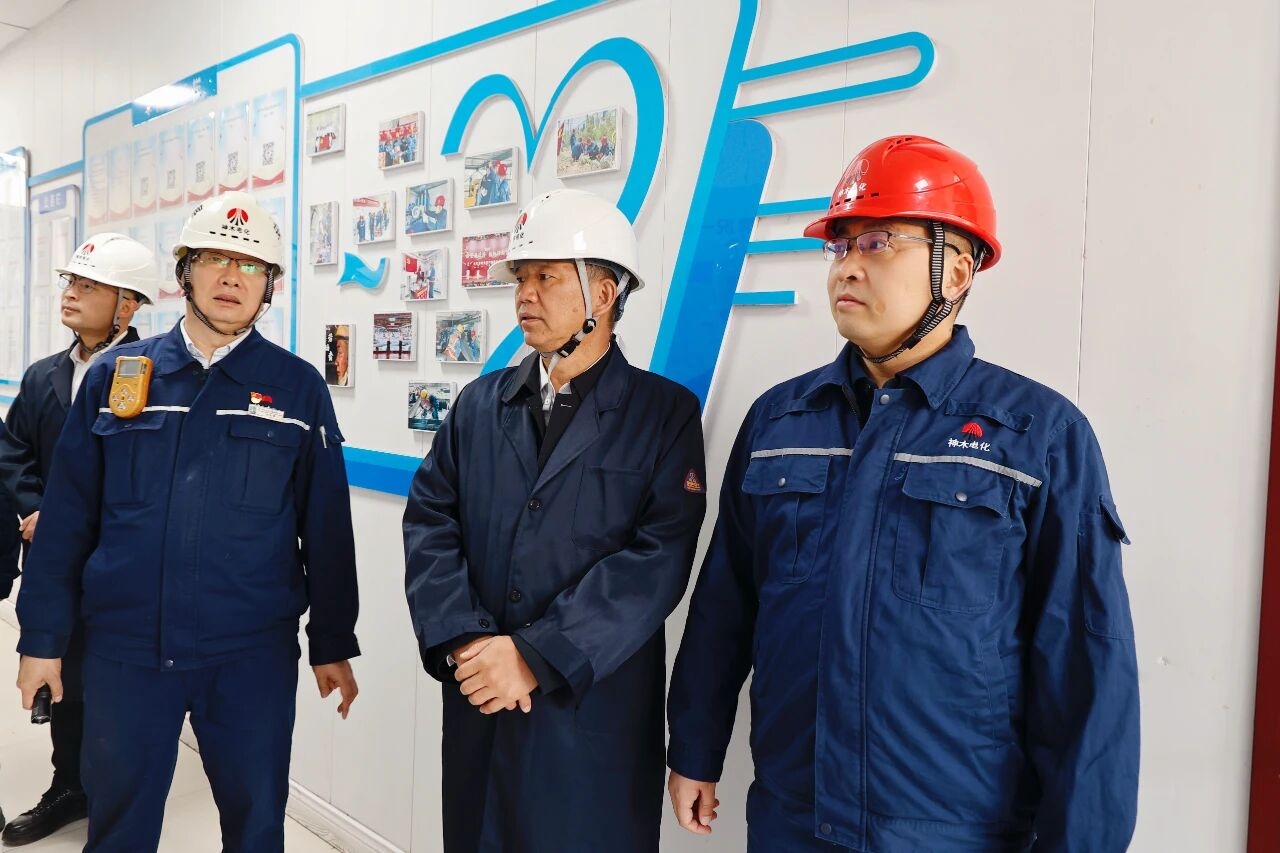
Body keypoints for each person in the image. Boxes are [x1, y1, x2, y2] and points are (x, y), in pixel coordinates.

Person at [666, 135, 1140, 851]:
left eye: (879, 242)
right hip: (795, 819)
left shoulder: (1037, 437)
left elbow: (1085, 664)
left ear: (957, 269)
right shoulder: (780, 422)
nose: (848, 266)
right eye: (840, 245)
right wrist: (695, 747)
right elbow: (725, 606)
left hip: (953, 830)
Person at [14, 191, 362, 852]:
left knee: (256, 824)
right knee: (118, 827)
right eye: (215, 259)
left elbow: (326, 527)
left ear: (269, 286)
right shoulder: (116, 377)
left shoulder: (296, 387)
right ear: (185, 273)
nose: (233, 277)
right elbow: (66, 523)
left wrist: (332, 639)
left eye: (252, 265)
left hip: (249, 653)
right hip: (126, 648)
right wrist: (43, 638)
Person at [403, 188, 707, 852]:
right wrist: (463, 640)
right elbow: (430, 518)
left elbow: (656, 561)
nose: (525, 295)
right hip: (483, 700)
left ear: (604, 294)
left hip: (588, 715)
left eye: (545, 277)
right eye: (521, 277)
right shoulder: (479, 405)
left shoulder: (664, 415)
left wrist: (535, 655)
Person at [0, 232, 157, 845]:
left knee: (118, 686)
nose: (71, 294)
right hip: (54, 563)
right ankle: (69, 787)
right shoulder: (43, 377)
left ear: (127, 304)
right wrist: (37, 508)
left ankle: (118, 798)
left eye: (89, 285)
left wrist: (72, 519)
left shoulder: (156, 376)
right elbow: (14, 454)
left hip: (122, 564)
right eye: (71, 282)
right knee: (59, 674)